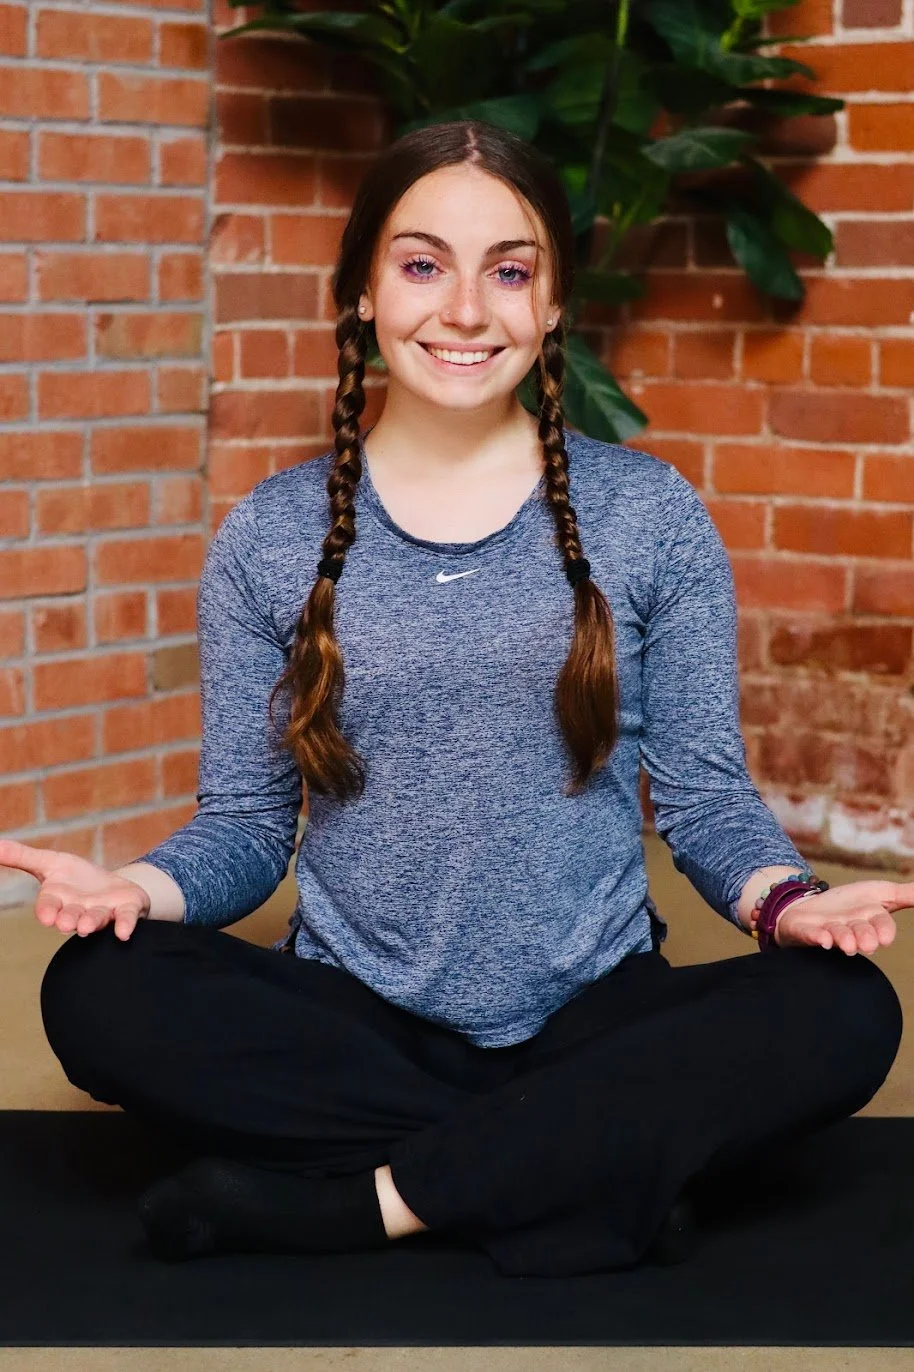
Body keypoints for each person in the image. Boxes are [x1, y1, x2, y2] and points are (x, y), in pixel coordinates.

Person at [6, 119, 909, 1279]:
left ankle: (364, 1202)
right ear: (363, 293)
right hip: (352, 1020)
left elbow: (702, 798)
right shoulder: (268, 538)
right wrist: (138, 884)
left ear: (551, 308)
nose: (467, 310)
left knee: (847, 1014)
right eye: (423, 264)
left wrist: (786, 903)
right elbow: (244, 825)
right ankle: (582, 1169)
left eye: (510, 270)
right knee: (96, 992)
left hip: (591, 1017)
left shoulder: (651, 517)